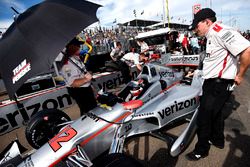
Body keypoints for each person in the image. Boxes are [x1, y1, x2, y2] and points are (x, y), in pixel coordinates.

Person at [186, 8, 250, 161]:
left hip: (218, 83)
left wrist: (240, 75)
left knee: (204, 118)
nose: (195, 30)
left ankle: (201, 150)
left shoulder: (220, 31)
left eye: (197, 26)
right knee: (216, 114)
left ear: (207, 22)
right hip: (213, 82)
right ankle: (217, 140)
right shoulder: (211, 34)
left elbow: (247, 50)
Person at [60, 38, 97, 116]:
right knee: (89, 112)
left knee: (92, 109)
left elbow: (82, 73)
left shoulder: (75, 58)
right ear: (71, 47)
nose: (80, 47)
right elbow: (72, 83)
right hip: (79, 91)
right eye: (77, 45)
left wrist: (89, 85)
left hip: (85, 88)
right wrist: (86, 79)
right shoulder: (67, 63)